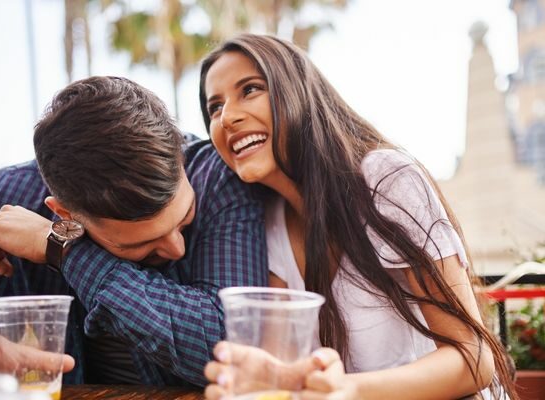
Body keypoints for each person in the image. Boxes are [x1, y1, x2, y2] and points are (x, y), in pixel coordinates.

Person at [198, 34, 515, 399]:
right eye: (214, 107)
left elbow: (473, 357)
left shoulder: (385, 180)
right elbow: (287, 374)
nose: (228, 118)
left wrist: (347, 390)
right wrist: (274, 381)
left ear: (297, 92)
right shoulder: (265, 221)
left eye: (250, 90)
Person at [0, 76, 267, 399]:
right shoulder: (14, 193)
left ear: (179, 153)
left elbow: (232, 346)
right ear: (65, 214)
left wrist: (62, 248)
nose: (176, 249)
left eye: (183, 218)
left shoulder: (220, 179)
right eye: (141, 244)